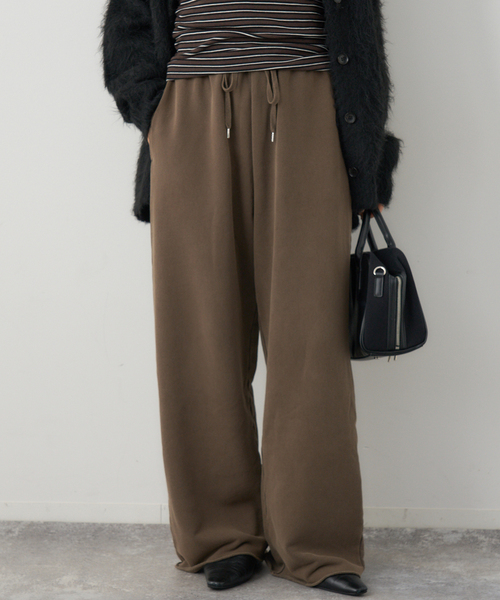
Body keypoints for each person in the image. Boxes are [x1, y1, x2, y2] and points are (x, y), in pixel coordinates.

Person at [100, 0, 402, 596]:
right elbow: (128, 28)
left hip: (311, 113)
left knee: (312, 343)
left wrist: (366, 160)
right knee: (200, 338)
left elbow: (362, 40)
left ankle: (315, 545)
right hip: (191, 114)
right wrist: (158, 116)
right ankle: (222, 538)